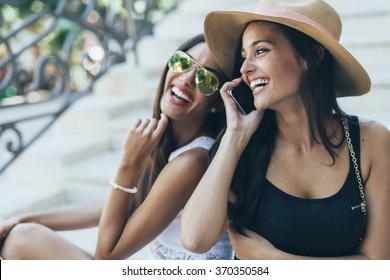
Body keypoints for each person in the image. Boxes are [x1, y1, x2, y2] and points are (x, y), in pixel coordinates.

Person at [182, 0, 390, 260]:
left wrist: (275, 260)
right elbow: (195, 238)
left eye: (261, 51)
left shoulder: (371, 141)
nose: (245, 69)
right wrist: (234, 136)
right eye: (244, 56)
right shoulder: (242, 147)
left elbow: (378, 264)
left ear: (312, 57)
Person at [0, 34, 232, 260]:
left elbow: (107, 256)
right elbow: (125, 203)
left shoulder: (192, 162)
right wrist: (27, 218)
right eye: (182, 63)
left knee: (21, 240)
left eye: (206, 79)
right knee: (21, 232)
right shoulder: (170, 144)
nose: (187, 79)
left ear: (217, 105)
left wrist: (128, 163)